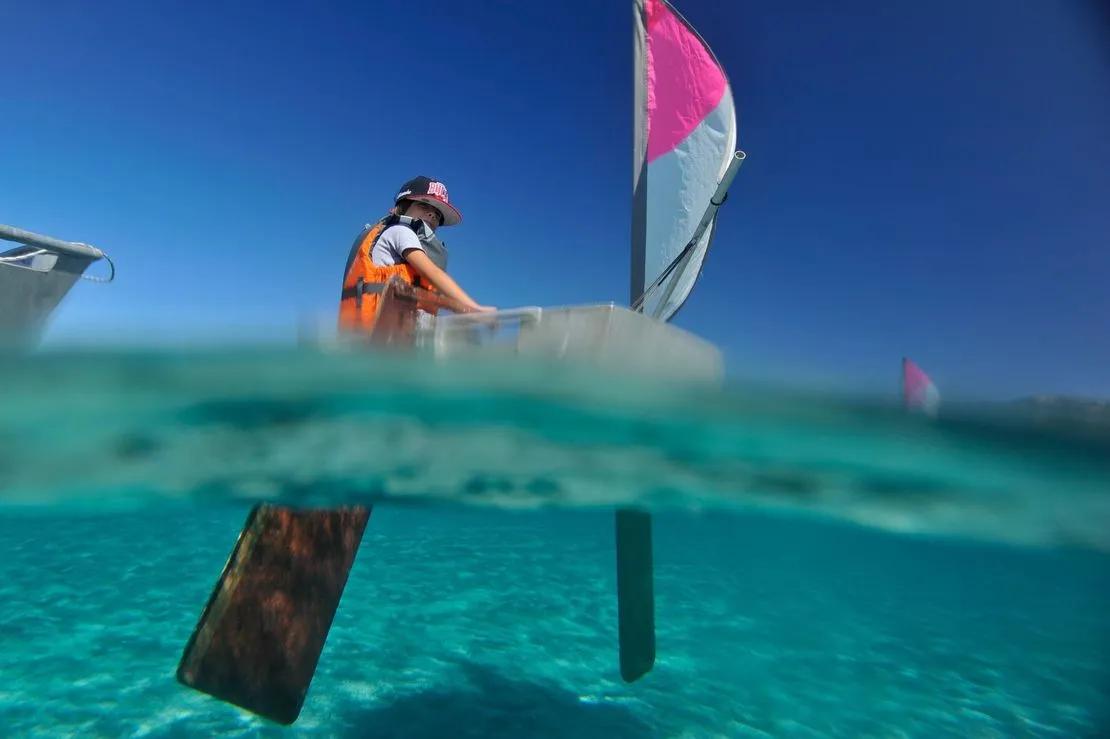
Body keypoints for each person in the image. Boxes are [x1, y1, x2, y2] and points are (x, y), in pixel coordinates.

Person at [338, 176, 493, 333]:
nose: (432, 215)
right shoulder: (400, 231)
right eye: (424, 205)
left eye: (438, 214)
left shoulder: (394, 233)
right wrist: (474, 308)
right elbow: (432, 272)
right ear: (402, 207)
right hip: (377, 338)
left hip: (376, 338)